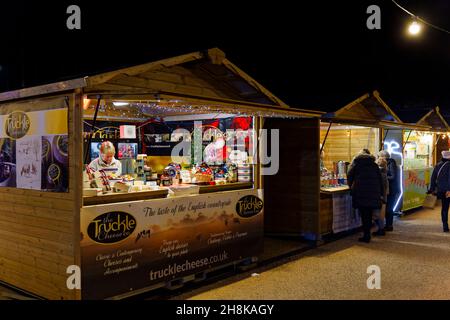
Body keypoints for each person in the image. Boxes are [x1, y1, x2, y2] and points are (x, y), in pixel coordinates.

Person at [347, 149, 384, 243]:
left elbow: (349, 175)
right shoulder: (374, 165)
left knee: (364, 215)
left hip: (361, 193)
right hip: (373, 193)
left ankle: (366, 235)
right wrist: (381, 193)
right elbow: (380, 180)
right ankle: (367, 234)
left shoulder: (356, 164)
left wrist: (351, 186)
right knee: (369, 214)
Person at [428, 150, 450, 232]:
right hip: (448, 190)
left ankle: (445, 226)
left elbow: (433, 178)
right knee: (445, 207)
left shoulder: (438, 165)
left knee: (444, 208)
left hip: (441, 189)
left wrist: (432, 189)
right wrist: (448, 189)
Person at [379, 150, 398, 232]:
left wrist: (383, 177)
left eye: (379, 156)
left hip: (391, 189)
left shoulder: (391, 163)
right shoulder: (390, 163)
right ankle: (388, 225)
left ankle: (389, 225)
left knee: (389, 208)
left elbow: (393, 176)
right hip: (389, 189)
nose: (378, 158)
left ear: (383, 157)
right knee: (388, 208)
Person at [373, 154, 389, 236]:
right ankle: (381, 229)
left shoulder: (380, 174)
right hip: (384, 197)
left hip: (380, 197)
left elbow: (382, 187)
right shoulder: (384, 173)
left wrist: (381, 196)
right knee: (381, 215)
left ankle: (381, 229)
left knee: (377, 215)